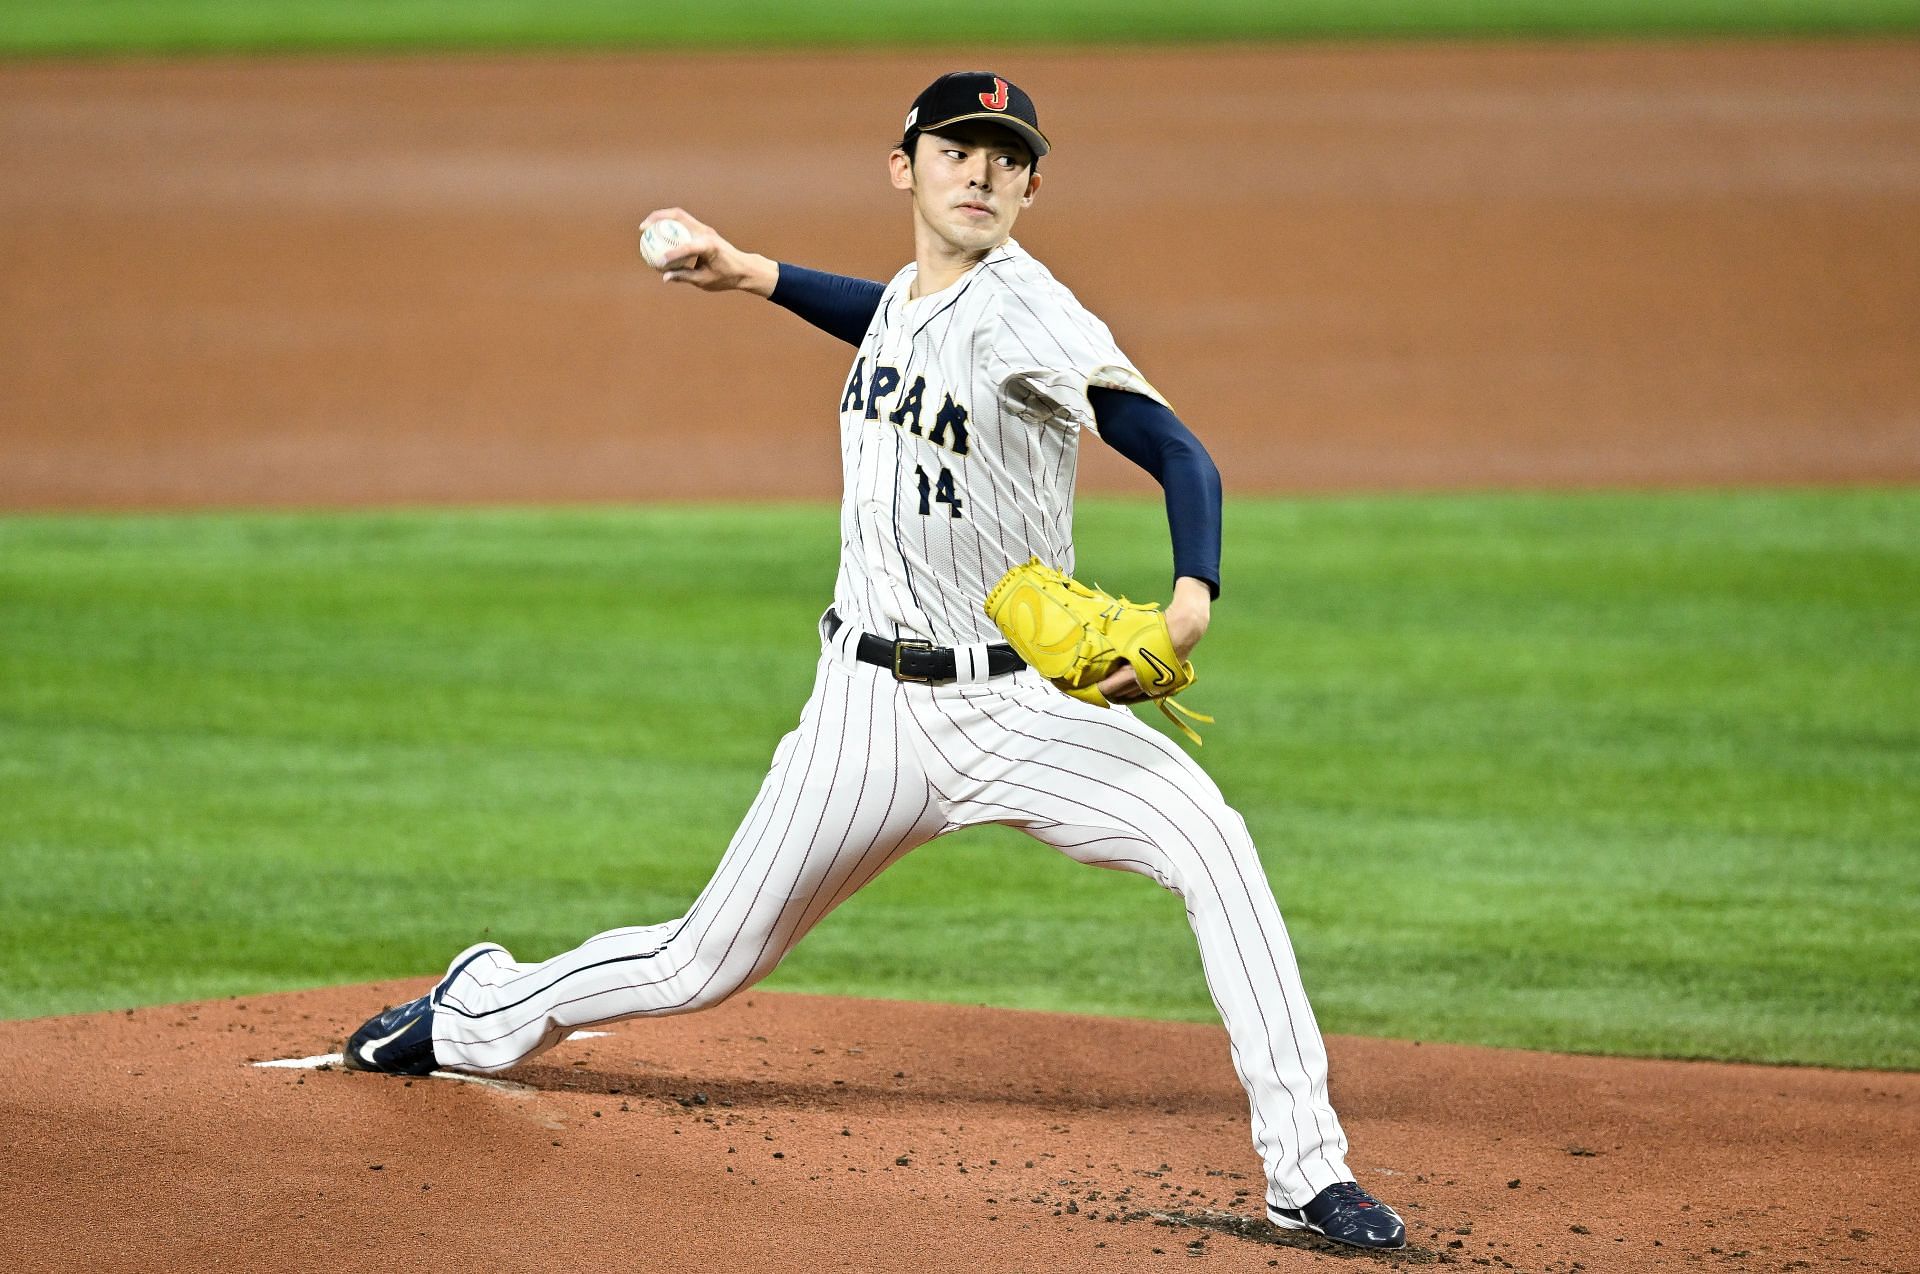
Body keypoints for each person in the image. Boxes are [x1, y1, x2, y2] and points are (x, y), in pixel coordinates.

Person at [342, 71, 1405, 1252]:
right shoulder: (917, 294)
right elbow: (891, 317)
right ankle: (474, 1007)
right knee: (700, 959)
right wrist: (756, 276)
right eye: (960, 149)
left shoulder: (1031, 312)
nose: (983, 172)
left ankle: (1306, 1171)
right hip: (865, 715)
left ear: (1032, 186)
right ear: (905, 166)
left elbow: (1179, 451)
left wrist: (1192, 598)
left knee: (1210, 835)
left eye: (1008, 158)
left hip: (1016, 708)